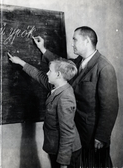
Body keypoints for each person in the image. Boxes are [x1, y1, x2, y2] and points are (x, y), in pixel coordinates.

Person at [32, 26, 119, 168]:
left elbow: (110, 107)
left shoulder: (104, 67)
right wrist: (43, 49)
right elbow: (60, 64)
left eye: (75, 39)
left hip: (93, 135)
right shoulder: (79, 62)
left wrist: (101, 136)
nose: (72, 43)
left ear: (86, 41)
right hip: (78, 131)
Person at [8, 54, 82, 168]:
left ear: (58, 75)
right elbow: (39, 75)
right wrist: (21, 62)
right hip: (55, 148)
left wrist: (63, 163)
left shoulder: (65, 98)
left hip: (66, 153)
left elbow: (67, 133)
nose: (47, 73)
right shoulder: (57, 86)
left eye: (50, 71)